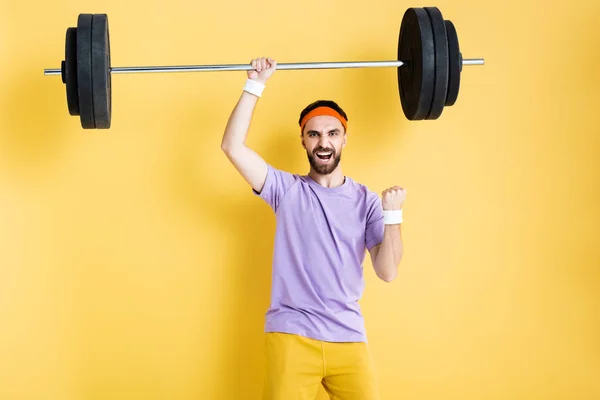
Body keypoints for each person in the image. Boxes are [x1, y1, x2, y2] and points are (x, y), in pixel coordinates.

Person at [221, 57, 406, 399]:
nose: (324, 142)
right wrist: (255, 84)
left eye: (332, 133)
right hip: (292, 336)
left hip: (348, 337)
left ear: (344, 139)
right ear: (303, 141)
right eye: (314, 134)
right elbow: (232, 147)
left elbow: (388, 271)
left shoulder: (366, 201)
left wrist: (393, 216)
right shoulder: (285, 189)